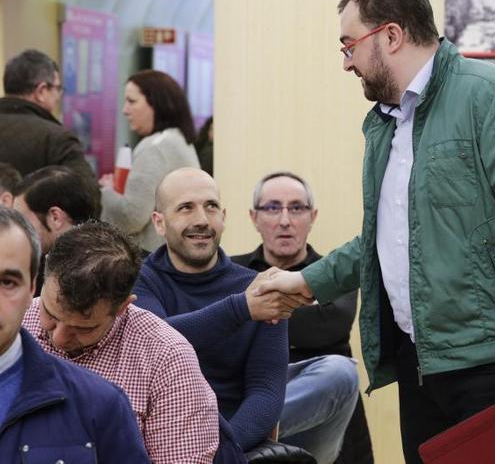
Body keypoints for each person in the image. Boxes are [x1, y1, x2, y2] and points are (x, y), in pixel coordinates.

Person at [255, 0, 495, 463]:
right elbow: (385, 239)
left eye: (349, 46)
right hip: (425, 362)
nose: (346, 63)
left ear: (390, 36)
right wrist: (303, 282)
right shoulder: (387, 123)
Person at [134, 168, 359, 463]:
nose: (202, 219)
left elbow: (265, 391)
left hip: (235, 444)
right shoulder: (140, 280)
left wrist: (223, 453)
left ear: (224, 217)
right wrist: (241, 309)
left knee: (340, 372)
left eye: (211, 206)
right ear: (159, 223)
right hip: (159, 439)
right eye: (186, 208)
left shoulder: (258, 288)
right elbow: (155, 339)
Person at [22, 220, 225, 463]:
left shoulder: (167, 359)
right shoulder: (12, 327)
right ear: (43, 277)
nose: (58, 337)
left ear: (122, 307)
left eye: (82, 328)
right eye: (51, 315)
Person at [231, 171, 373, 464]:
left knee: (338, 371)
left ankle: (230, 434)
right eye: (272, 208)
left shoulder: (333, 273)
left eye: (296, 208)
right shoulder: (232, 271)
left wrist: (245, 310)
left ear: (313, 216)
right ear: (253, 217)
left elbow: (325, 327)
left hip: (323, 421)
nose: (285, 220)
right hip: (250, 400)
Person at [0, 206, 149, 462]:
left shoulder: (101, 404)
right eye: (52, 315)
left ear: (31, 286)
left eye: (7, 282)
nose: (58, 339)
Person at [99, 69, 200, 252]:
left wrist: (107, 191)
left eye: (132, 101)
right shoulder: (178, 140)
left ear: (156, 103)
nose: (125, 110)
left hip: (153, 261)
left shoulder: (155, 147)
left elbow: (132, 216)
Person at [0, 49, 95, 183]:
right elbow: (88, 194)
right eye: (58, 88)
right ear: (41, 91)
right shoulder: (57, 139)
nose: (58, 96)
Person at [12, 165, 100, 294]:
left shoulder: (114, 270)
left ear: (55, 217)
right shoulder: (38, 262)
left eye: (22, 221)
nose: (17, 230)